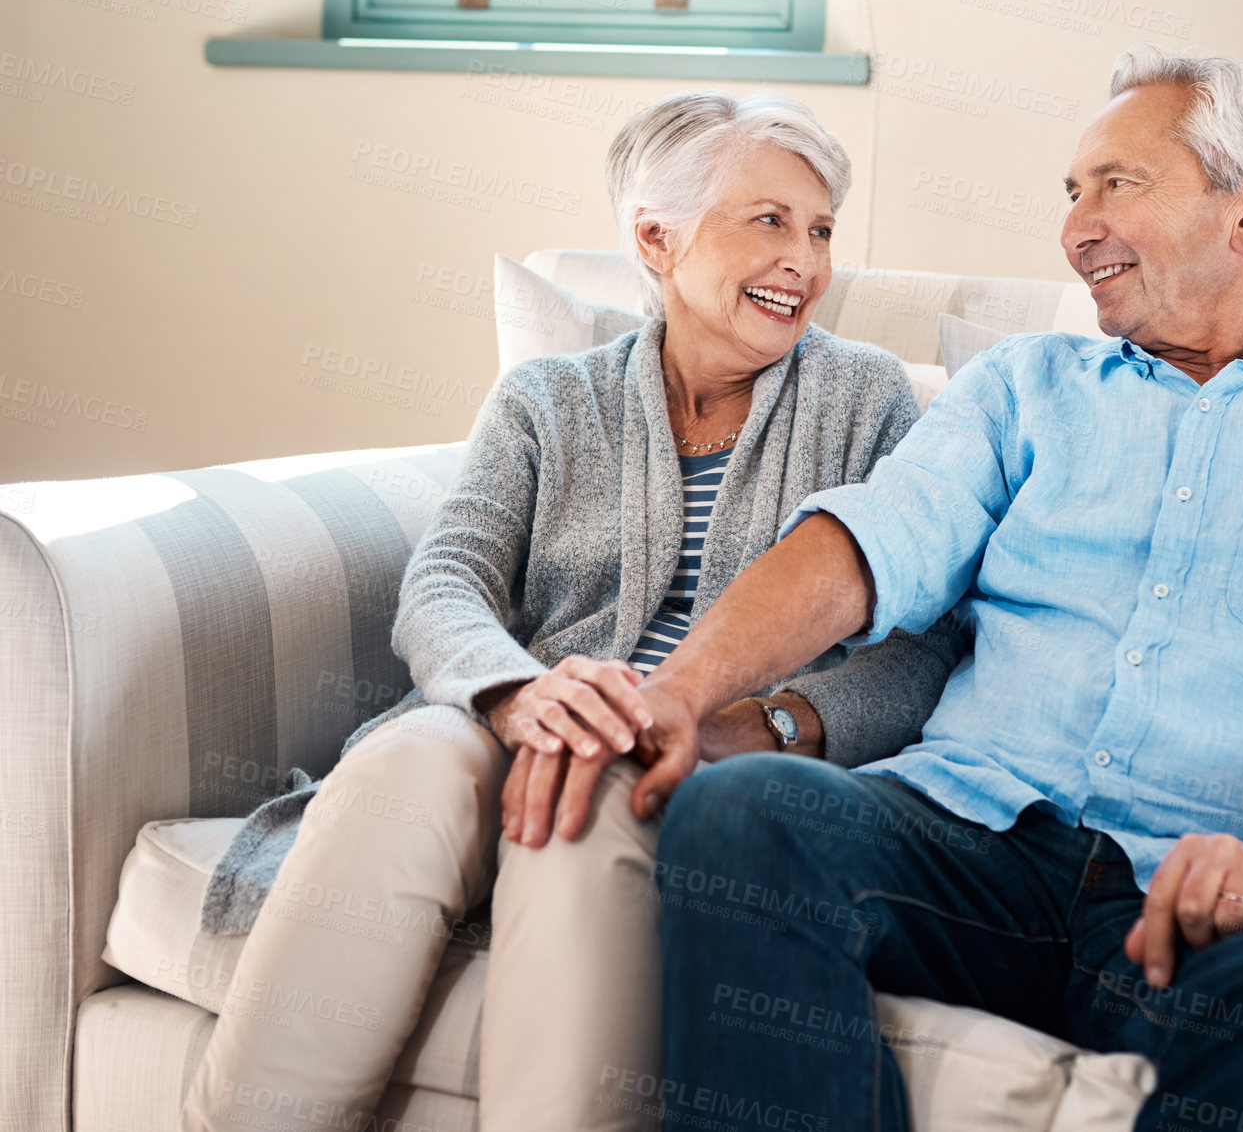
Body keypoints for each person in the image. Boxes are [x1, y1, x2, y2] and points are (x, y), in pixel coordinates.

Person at [620, 45, 1243, 1132]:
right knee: (744, 813)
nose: (1075, 225)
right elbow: (871, 544)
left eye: (1117, 185)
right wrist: (678, 691)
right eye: (1071, 191)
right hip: (970, 839)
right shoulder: (1022, 386)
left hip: (1224, 898)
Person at [182, 92, 962, 1132]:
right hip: (518, 710)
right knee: (403, 762)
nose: (805, 262)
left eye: (820, 231)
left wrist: (765, 722)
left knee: (586, 799)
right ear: (657, 238)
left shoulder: (869, 400)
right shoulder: (548, 400)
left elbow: (922, 645)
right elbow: (445, 579)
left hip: (698, 759)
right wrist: (519, 692)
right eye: (769, 221)